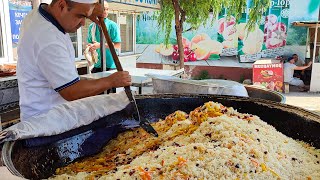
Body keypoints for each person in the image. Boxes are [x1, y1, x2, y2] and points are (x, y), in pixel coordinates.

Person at [17, 0, 131, 121]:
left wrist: (87, 10)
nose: (83, 23)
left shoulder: (39, 15)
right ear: (61, 5)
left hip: (53, 114)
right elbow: (71, 91)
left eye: (85, 17)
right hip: (46, 121)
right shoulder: (47, 38)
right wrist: (111, 81)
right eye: (80, 16)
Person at [86, 2, 120, 73]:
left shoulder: (112, 25)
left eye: (107, 9)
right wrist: (90, 47)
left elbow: (118, 45)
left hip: (110, 66)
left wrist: (100, 45)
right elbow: (89, 43)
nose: (105, 11)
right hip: (96, 65)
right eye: (103, 9)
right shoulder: (91, 26)